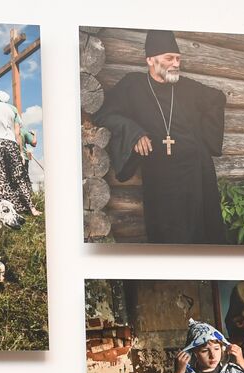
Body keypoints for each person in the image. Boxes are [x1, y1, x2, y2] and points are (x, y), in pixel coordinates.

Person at [94, 29, 226, 244]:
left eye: (178, 58)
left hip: (196, 172)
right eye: (169, 58)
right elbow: (105, 114)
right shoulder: (133, 85)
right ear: (150, 60)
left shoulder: (188, 87)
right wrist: (134, 133)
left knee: (203, 228)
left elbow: (217, 99)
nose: (176, 64)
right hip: (160, 175)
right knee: (165, 230)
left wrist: (204, 142)